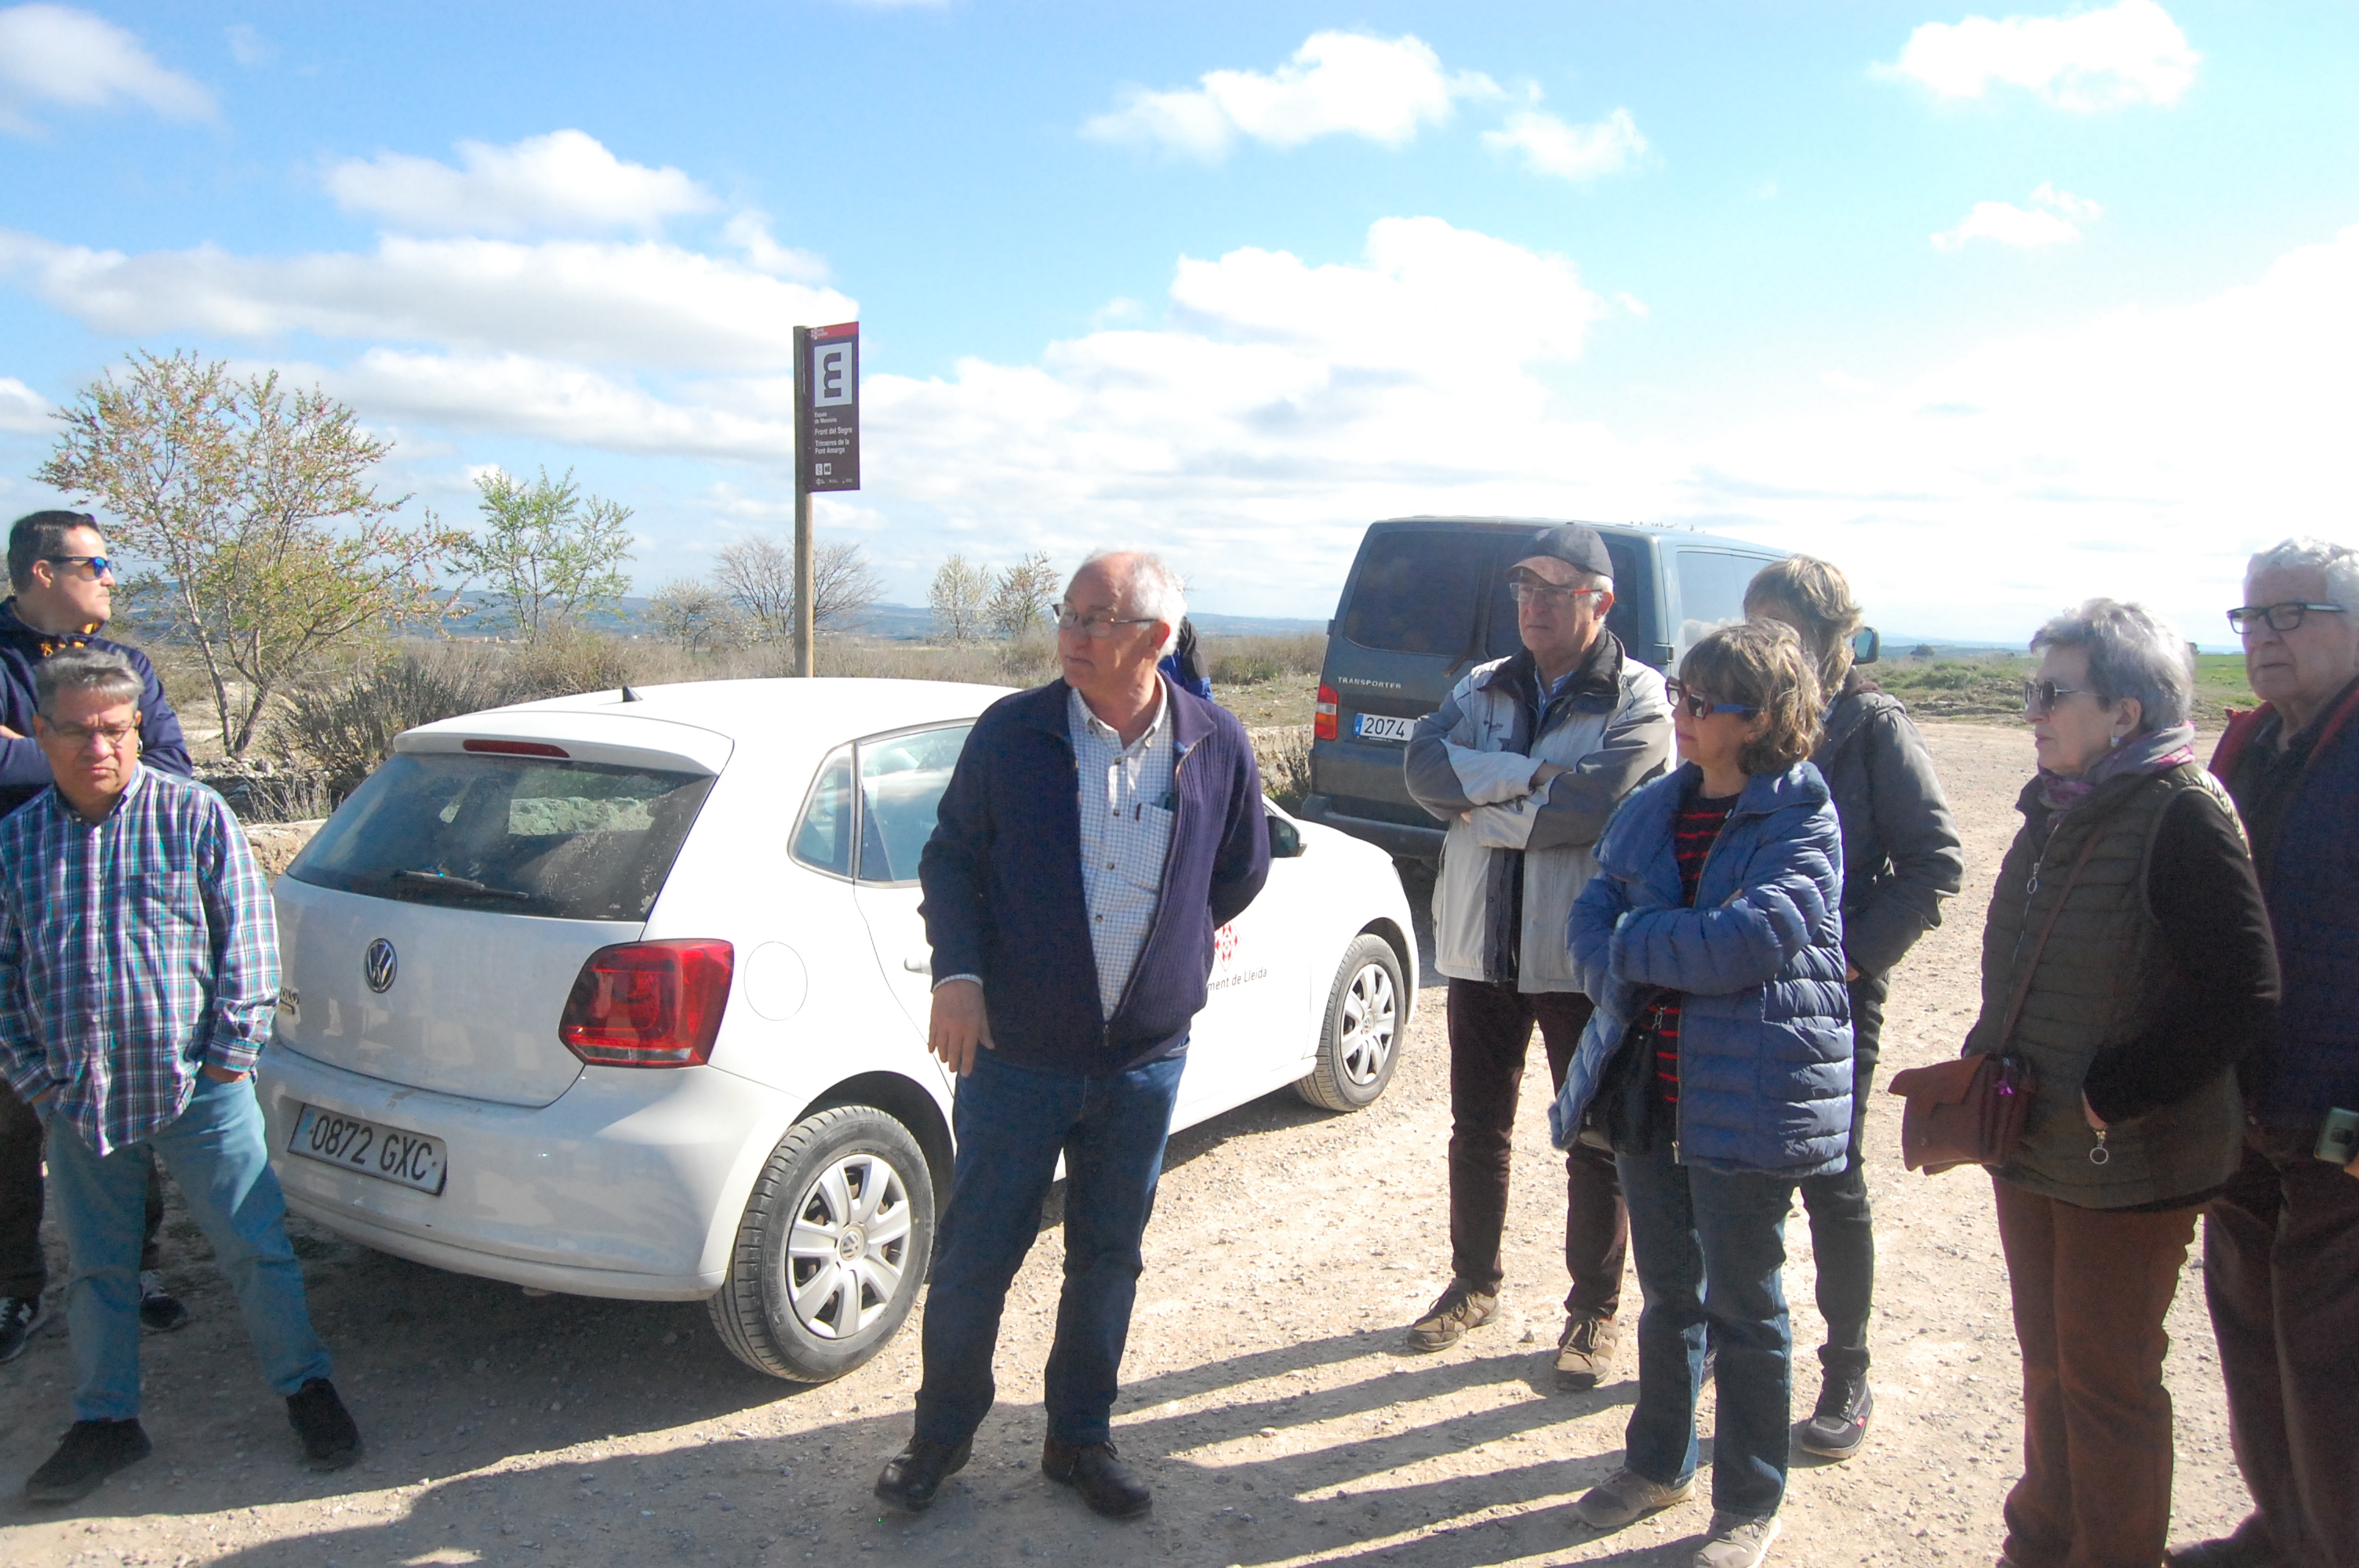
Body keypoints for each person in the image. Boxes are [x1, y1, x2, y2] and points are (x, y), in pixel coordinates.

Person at [874, 550, 1269, 1522]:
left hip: (1142, 1060)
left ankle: (1079, 1435)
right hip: (1015, 1057)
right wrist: (959, 974)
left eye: (1097, 619)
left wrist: (1170, 951)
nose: (1071, 636)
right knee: (977, 1253)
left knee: (1108, 1253)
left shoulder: (1212, 739)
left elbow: (1239, 868)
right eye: (1068, 614)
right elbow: (949, 857)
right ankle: (941, 1433)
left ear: (1156, 639)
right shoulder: (1014, 733)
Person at [1, 649, 361, 1504]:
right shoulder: (16, 841)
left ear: (135, 731)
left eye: (117, 729)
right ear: (43, 735)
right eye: (80, 730)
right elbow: (4, 972)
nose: (100, 747)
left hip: (199, 1084)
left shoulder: (192, 815)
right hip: (80, 1093)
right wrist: (37, 1078)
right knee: (97, 1267)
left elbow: (248, 945)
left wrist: (231, 1054)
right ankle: (106, 1419)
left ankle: (305, 1388)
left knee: (254, 1246)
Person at [1968, 601, 2277, 1568]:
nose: (2032, 711)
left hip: (2125, 1153)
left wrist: (2117, 1091)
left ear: (2126, 712)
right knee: (2049, 1367)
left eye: (2053, 692)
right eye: (2030, 690)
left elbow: (2243, 988)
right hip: (2034, 1140)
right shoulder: (2058, 803)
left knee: (2104, 1383)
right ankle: (2039, 1545)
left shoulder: (2180, 810)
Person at [1548, 618, 1850, 1568]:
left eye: (1699, 703)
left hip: (1747, 1092)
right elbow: (1590, 913)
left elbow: (1745, 942)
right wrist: (1633, 948)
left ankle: (1746, 1504)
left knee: (1747, 1307)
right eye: (1678, 695)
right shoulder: (1654, 805)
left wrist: (1636, 946)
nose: (1677, 713)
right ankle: (1656, 1462)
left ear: (1758, 717)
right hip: (1653, 1087)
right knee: (1667, 1292)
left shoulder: (1801, 816)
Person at [1401, 523, 1672, 1387]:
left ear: (1601, 600)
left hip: (1577, 954)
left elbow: (1593, 810)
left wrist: (1483, 797)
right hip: (1479, 947)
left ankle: (1591, 1309)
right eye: (1525, 587)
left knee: (1592, 1136)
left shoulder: (1639, 697)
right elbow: (1420, 771)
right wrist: (1530, 776)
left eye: (1556, 590)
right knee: (1474, 1127)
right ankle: (1472, 1282)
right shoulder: (1481, 684)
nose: (1534, 604)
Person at [1744, 557, 1962, 1459]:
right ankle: (1744, 1334)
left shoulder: (1871, 724)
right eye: (1755, 622)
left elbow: (1933, 860)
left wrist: (1849, 959)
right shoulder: (1757, 713)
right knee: (1733, 1169)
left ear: (1830, 633)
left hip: (1831, 995)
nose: (1764, 641)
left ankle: (1847, 1368)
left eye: (1781, 625)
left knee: (1828, 1178)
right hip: (1741, 983)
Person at [2174, 539, 2359, 1568]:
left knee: (2337, 1380)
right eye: (2253, 620)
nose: (2267, 638)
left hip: (2343, 1124)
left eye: (2294, 614)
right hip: (2246, 1108)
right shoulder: (2247, 746)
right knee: (2255, 1349)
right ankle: (2286, 1536)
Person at [0, 509, 197, 1368]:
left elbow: (178, 773)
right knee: (11, 1115)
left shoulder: (130, 665)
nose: (112, 577)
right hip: (15, 917)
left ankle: (134, 1267)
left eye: (109, 726)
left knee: (122, 1099)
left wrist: (35, 749)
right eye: (98, 562)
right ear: (41, 572)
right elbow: (137, 764)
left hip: (113, 919)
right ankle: (16, 1286)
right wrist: (105, 750)